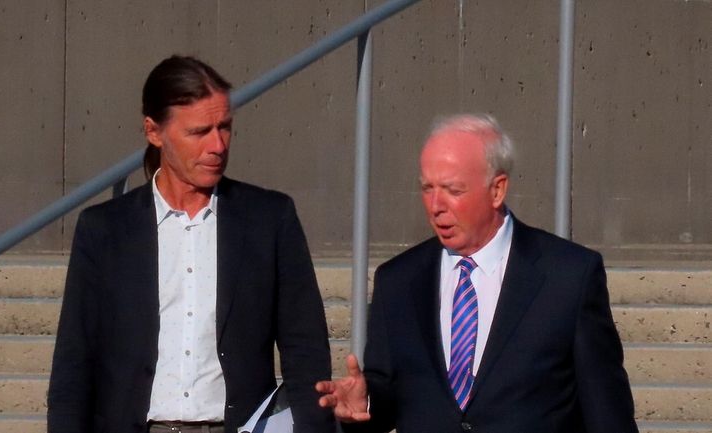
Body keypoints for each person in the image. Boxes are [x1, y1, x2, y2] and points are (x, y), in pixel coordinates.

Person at [47, 55, 335, 433]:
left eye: (225, 128)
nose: (218, 145)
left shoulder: (269, 220)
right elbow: (74, 366)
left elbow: (306, 352)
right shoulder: (104, 231)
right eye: (199, 131)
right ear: (154, 131)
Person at [316, 114, 638, 433]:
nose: (435, 205)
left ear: (497, 190)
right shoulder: (397, 282)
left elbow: (608, 414)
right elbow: (393, 396)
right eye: (427, 188)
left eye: (453, 190)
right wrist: (366, 402)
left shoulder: (568, 277)